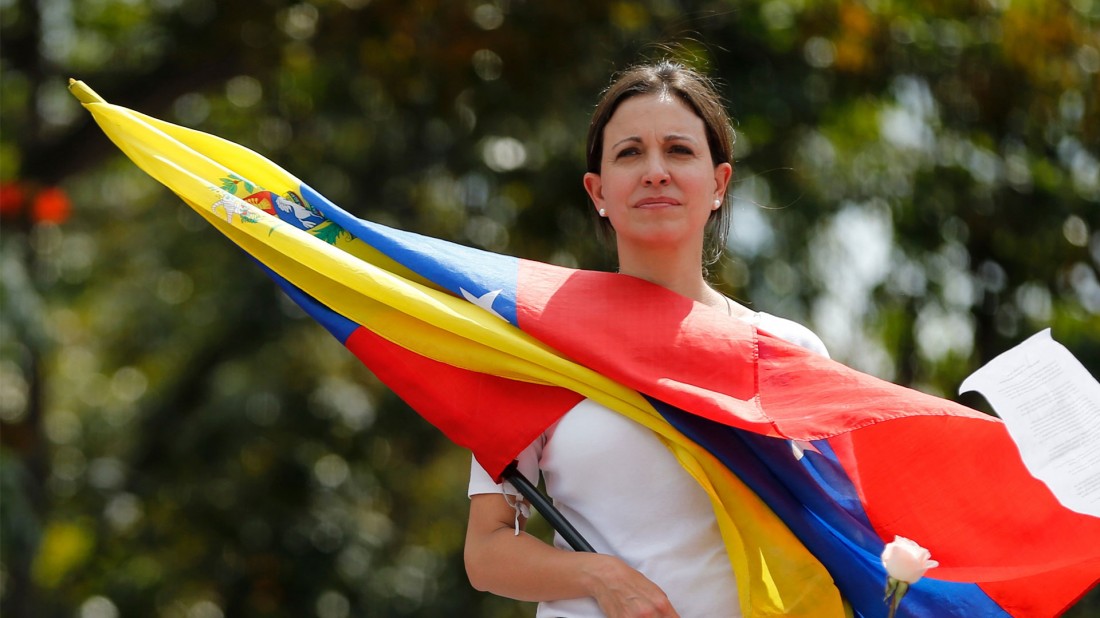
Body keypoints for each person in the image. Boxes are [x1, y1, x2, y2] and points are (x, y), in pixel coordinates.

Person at [463, 60, 829, 618]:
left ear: (719, 183)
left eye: (679, 151)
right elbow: (486, 551)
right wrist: (599, 574)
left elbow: (842, 537)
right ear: (598, 190)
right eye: (630, 153)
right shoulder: (537, 346)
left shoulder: (785, 352)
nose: (655, 171)